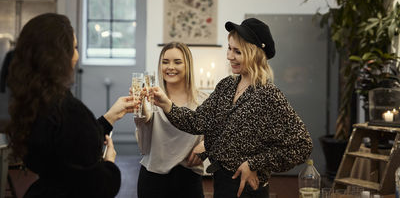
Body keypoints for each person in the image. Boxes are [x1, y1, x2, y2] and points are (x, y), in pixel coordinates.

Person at [151, 18, 313, 198]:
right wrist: (166, 104)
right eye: (229, 48)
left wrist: (254, 164)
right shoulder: (227, 85)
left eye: (237, 51)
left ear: (254, 54)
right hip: (221, 182)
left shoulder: (269, 95)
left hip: (248, 188)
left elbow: (302, 145)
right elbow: (198, 122)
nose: (229, 56)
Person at [5, 13, 139, 198]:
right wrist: (109, 164)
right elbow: (96, 186)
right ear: (59, 55)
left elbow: (68, 146)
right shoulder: (68, 110)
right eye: (74, 48)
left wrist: (109, 118)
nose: (77, 55)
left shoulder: (32, 103)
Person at [134, 42, 208, 198]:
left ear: (188, 65)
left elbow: (220, 133)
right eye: (165, 62)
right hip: (153, 178)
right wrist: (140, 107)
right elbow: (143, 120)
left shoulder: (203, 100)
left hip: (189, 178)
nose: (170, 67)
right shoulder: (152, 97)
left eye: (177, 62)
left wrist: (206, 144)